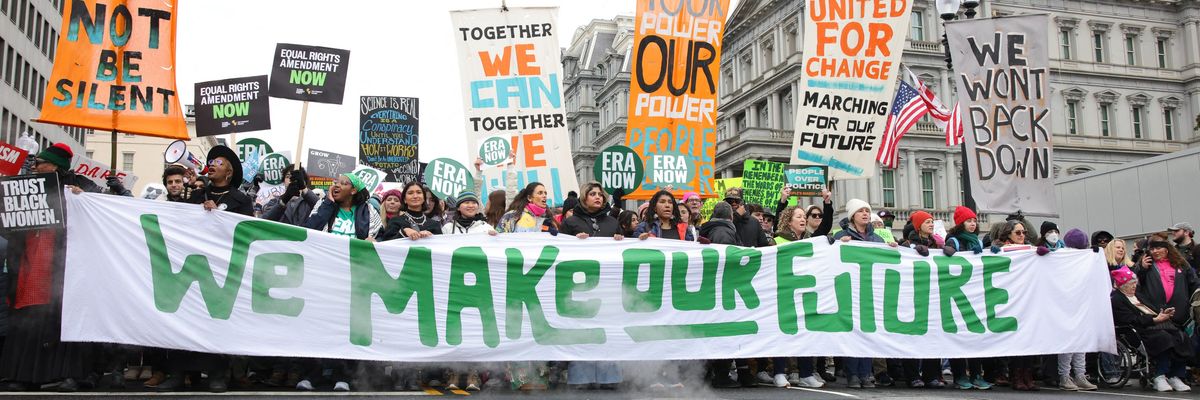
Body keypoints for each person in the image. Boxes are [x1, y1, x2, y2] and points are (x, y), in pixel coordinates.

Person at [0, 143, 102, 392]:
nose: (34, 167)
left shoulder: (81, 185)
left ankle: (69, 373)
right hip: (31, 262)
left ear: (55, 166)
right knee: (29, 318)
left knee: (63, 319)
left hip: (63, 266)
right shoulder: (26, 186)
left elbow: (100, 212)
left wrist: (83, 198)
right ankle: (23, 375)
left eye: (40, 163)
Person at [558, 182, 623, 390]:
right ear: (584, 198)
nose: (598, 197)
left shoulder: (613, 222)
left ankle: (608, 376)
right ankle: (581, 376)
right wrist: (572, 242)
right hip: (578, 284)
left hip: (608, 284)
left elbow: (625, 252)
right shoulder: (571, 222)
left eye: (600, 194)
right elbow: (559, 250)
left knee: (607, 328)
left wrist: (621, 240)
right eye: (592, 193)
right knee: (582, 329)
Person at [830, 199, 895, 389]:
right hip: (848, 290)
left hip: (870, 291)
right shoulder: (841, 235)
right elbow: (830, 254)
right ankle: (852, 374)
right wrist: (838, 244)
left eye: (867, 210)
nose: (865, 214)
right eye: (861, 211)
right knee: (852, 333)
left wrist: (891, 248)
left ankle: (866, 374)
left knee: (867, 333)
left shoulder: (876, 238)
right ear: (852, 216)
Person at [1110, 266, 1193, 392]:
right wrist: (1154, 320)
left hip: (1154, 326)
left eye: (1134, 283)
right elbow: (1130, 319)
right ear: (1121, 286)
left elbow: (1153, 310)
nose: (1134, 286)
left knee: (1182, 337)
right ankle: (1159, 375)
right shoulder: (1117, 299)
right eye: (1130, 284)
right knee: (1164, 338)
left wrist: (1164, 314)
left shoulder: (1138, 295)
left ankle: (1175, 375)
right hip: (1137, 330)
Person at [939, 206, 993, 390]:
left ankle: (977, 375)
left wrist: (992, 252)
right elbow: (947, 259)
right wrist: (948, 251)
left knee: (975, 336)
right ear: (960, 223)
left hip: (975, 295)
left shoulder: (977, 242)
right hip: (957, 295)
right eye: (968, 221)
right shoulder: (954, 240)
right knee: (959, 336)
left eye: (974, 221)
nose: (972, 224)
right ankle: (960, 375)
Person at [898, 211, 945, 389]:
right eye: (927, 222)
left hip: (932, 295)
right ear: (918, 226)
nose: (931, 224)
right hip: (911, 295)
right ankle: (912, 376)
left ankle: (931, 375)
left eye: (932, 221)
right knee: (912, 337)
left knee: (932, 336)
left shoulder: (937, 244)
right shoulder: (906, 245)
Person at [1053, 229, 1099, 391]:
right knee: (1068, 342)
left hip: (1081, 303)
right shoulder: (1060, 256)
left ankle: (1080, 375)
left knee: (1081, 342)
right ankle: (1064, 376)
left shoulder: (1085, 257)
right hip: (1065, 304)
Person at [188, 145, 254, 216]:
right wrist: (187, 184)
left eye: (218, 162)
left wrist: (217, 214)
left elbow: (243, 223)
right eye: (211, 162)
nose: (212, 164)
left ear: (228, 173)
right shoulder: (196, 194)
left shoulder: (242, 200)